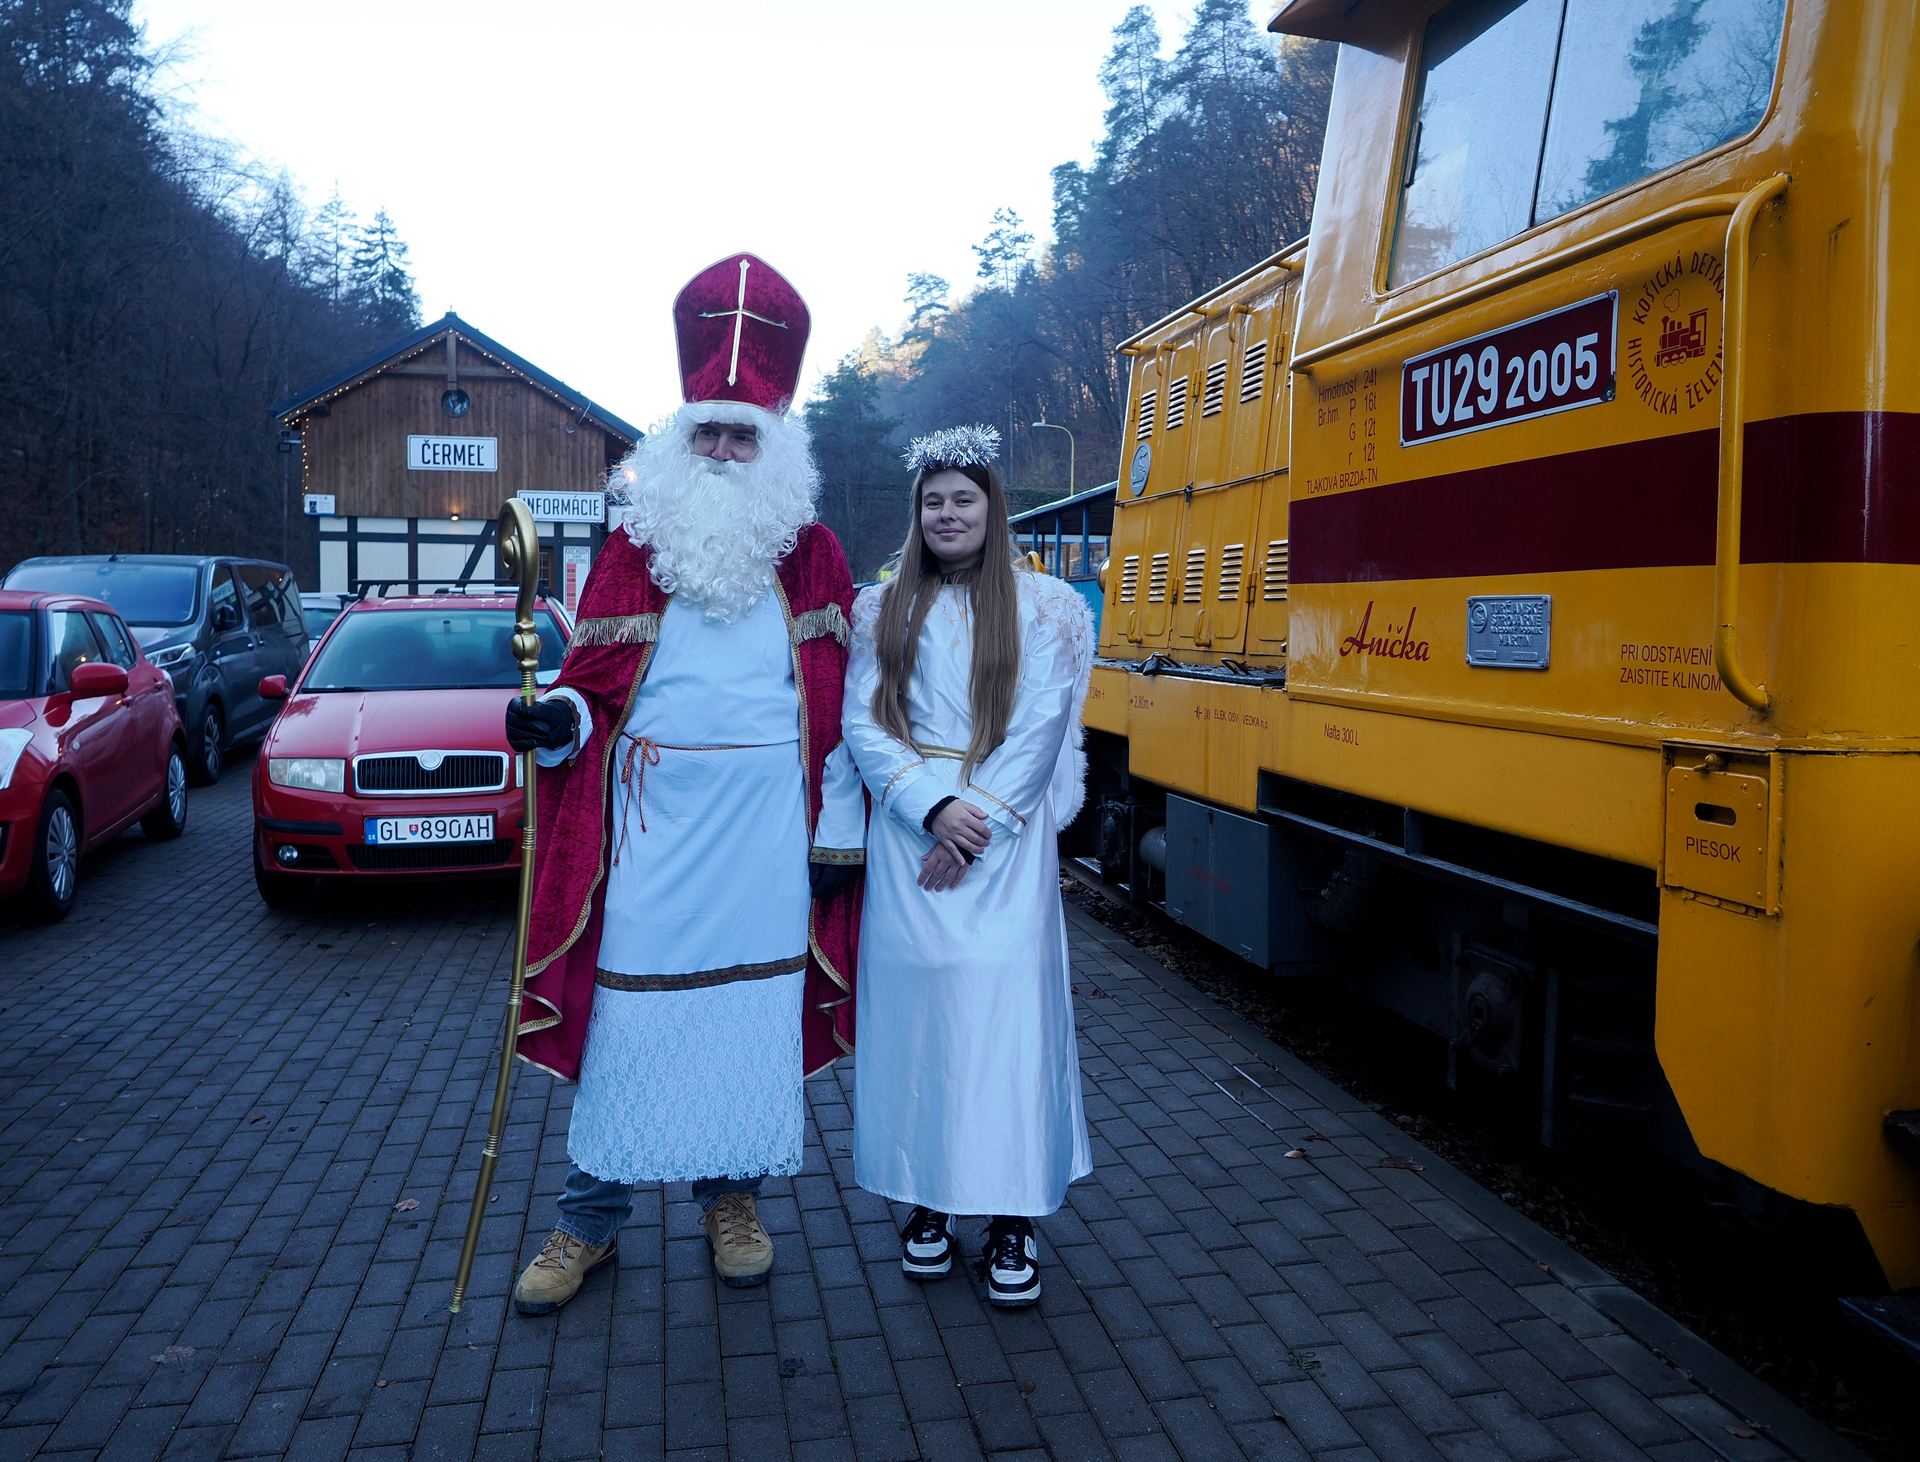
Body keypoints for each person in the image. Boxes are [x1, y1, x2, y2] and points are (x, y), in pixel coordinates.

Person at [502, 253, 865, 1315]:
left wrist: (839, 828)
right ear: (676, 438)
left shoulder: (816, 557)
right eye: (705, 430)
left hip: (763, 838)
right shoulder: (634, 547)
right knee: (630, 1020)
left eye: (739, 435)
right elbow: (592, 695)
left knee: (741, 1023)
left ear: (773, 450)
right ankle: (588, 1218)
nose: (718, 449)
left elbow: (845, 708)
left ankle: (731, 1201)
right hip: (653, 834)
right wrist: (551, 718)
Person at [841, 424, 1095, 1307]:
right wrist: (929, 809)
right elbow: (861, 720)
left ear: (994, 507)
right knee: (919, 1031)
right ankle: (927, 1202)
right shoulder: (880, 609)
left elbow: (1044, 723)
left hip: (1004, 847)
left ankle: (1012, 1215)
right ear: (917, 513)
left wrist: (974, 818)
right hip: (911, 843)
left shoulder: (1048, 605)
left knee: (1003, 1025)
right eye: (933, 500)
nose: (948, 513)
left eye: (964, 497)